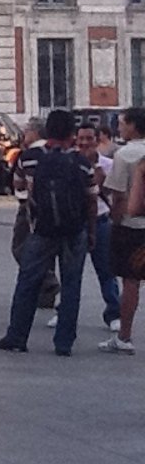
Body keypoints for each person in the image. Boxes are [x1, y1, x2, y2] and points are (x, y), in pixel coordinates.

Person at [0, 109, 95, 356]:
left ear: (47, 131)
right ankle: (64, 343)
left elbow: (18, 186)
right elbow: (91, 199)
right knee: (71, 285)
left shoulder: (29, 158)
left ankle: (17, 336)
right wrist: (91, 231)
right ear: (72, 134)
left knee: (28, 281)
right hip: (74, 231)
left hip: (41, 229)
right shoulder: (82, 163)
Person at [99, 107, 145, 355]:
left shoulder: (125, 155)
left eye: (122, 123)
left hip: (132, 226)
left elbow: (118, 196)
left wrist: (114, 220)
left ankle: (124, 336)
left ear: (133, 126)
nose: (119, 128)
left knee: (131, 281)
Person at [10, 118, 59, 311]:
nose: (24, 134)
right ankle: (46, 295)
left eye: (27, 130)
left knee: (20, 247)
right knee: (48, 249)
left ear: (35, 132)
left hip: (30, 208)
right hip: (56, 208)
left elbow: (18, 183)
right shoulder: (56, 151)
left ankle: (48, 282)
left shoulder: (28, 155)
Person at [75, 122, 120, 332]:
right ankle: (65, 310)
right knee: (71, 271)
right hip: (76, 222)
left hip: (101, 220)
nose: (85, 143)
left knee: (106, 269)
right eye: (81, 138)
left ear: (97, 140)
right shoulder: (70, 162)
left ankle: (114, 312)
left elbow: (114, 193)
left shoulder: (109, 165)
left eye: (89, 138)